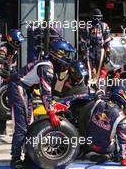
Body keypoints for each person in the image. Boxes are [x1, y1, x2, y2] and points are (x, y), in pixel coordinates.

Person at [8, 39, 75, 169]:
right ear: (58, 53)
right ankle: (15, 159)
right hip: (18, 87)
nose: (68, 57)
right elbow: (45, 92)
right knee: (22, 127)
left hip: (26, 89)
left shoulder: (49, 65)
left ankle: (29, 156)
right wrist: (51, 113)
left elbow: (45, 91)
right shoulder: (47, 67)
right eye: (66, 54)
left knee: (30, 124)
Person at [79, 85, 126, 166]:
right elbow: (123, 140)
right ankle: (111, 155)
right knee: (118, 136)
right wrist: (124, 159)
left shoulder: (98, 103)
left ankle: (87, 151)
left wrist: (102, 91)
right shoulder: (121, 116)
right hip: (104, 149)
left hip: (87, 143)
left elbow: (98, 93)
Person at [80, 8, 112, 83]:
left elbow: (107, 40)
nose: (97, 20)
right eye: (95, 17)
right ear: (92, 17)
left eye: (99, 17)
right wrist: (83, 52)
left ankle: (99, 84)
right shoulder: (87, 26)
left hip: (100, 50)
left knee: (100, 68)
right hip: (90, 49)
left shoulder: (104, 26)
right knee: (89, 68)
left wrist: (108, 53)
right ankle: (90, 84)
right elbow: (83, 41)